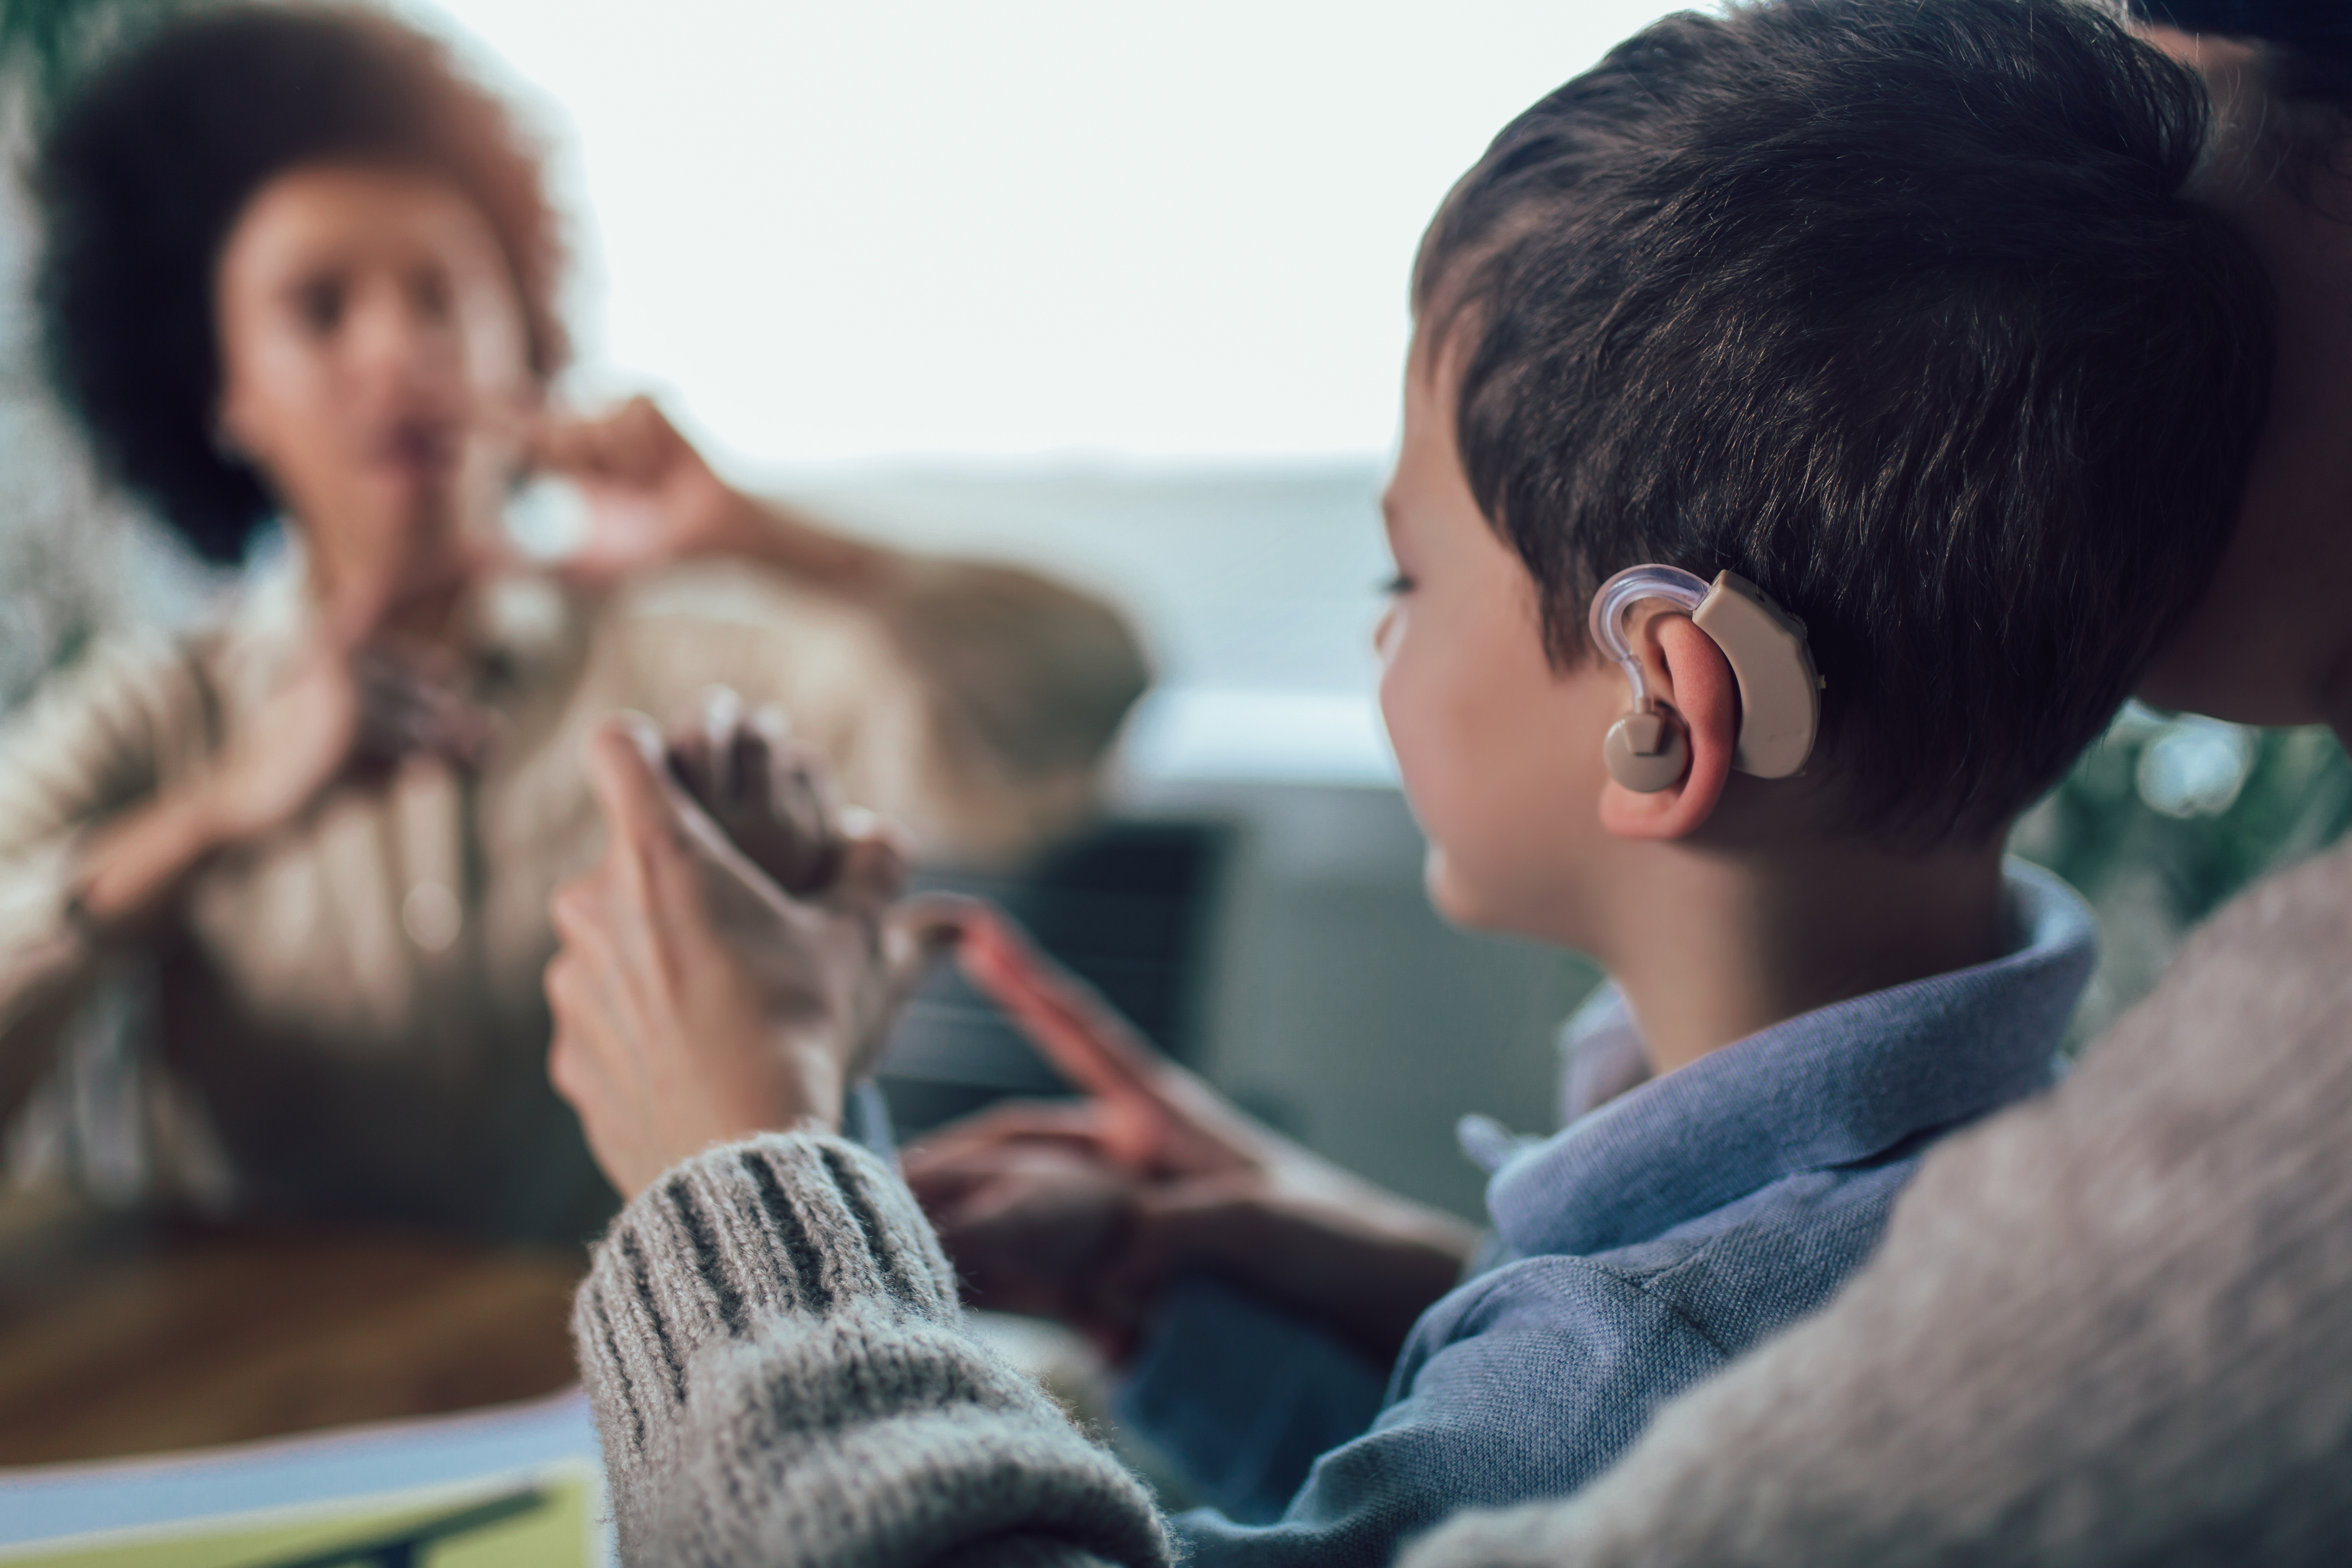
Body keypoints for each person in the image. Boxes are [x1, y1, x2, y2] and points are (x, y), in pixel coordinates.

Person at [537, 2, 2275, 1562]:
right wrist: (1220, 1299)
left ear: (1670, 704)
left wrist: (742, 1147)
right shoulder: (2012, 1185)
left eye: (1404, 577)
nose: (1385, 641)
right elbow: (1475, 1512)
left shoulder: (1642, 1355)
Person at [0, 3, 1147, 1240]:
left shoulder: (675, 664)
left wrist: (758, 535)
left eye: (439, 295)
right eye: (321, 308)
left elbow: (1084, 696)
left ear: (522, 341)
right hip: (275, 1384)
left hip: (611, 1386)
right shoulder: (162, 712)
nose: (398, 350)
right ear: (225, 393)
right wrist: (217, 811)